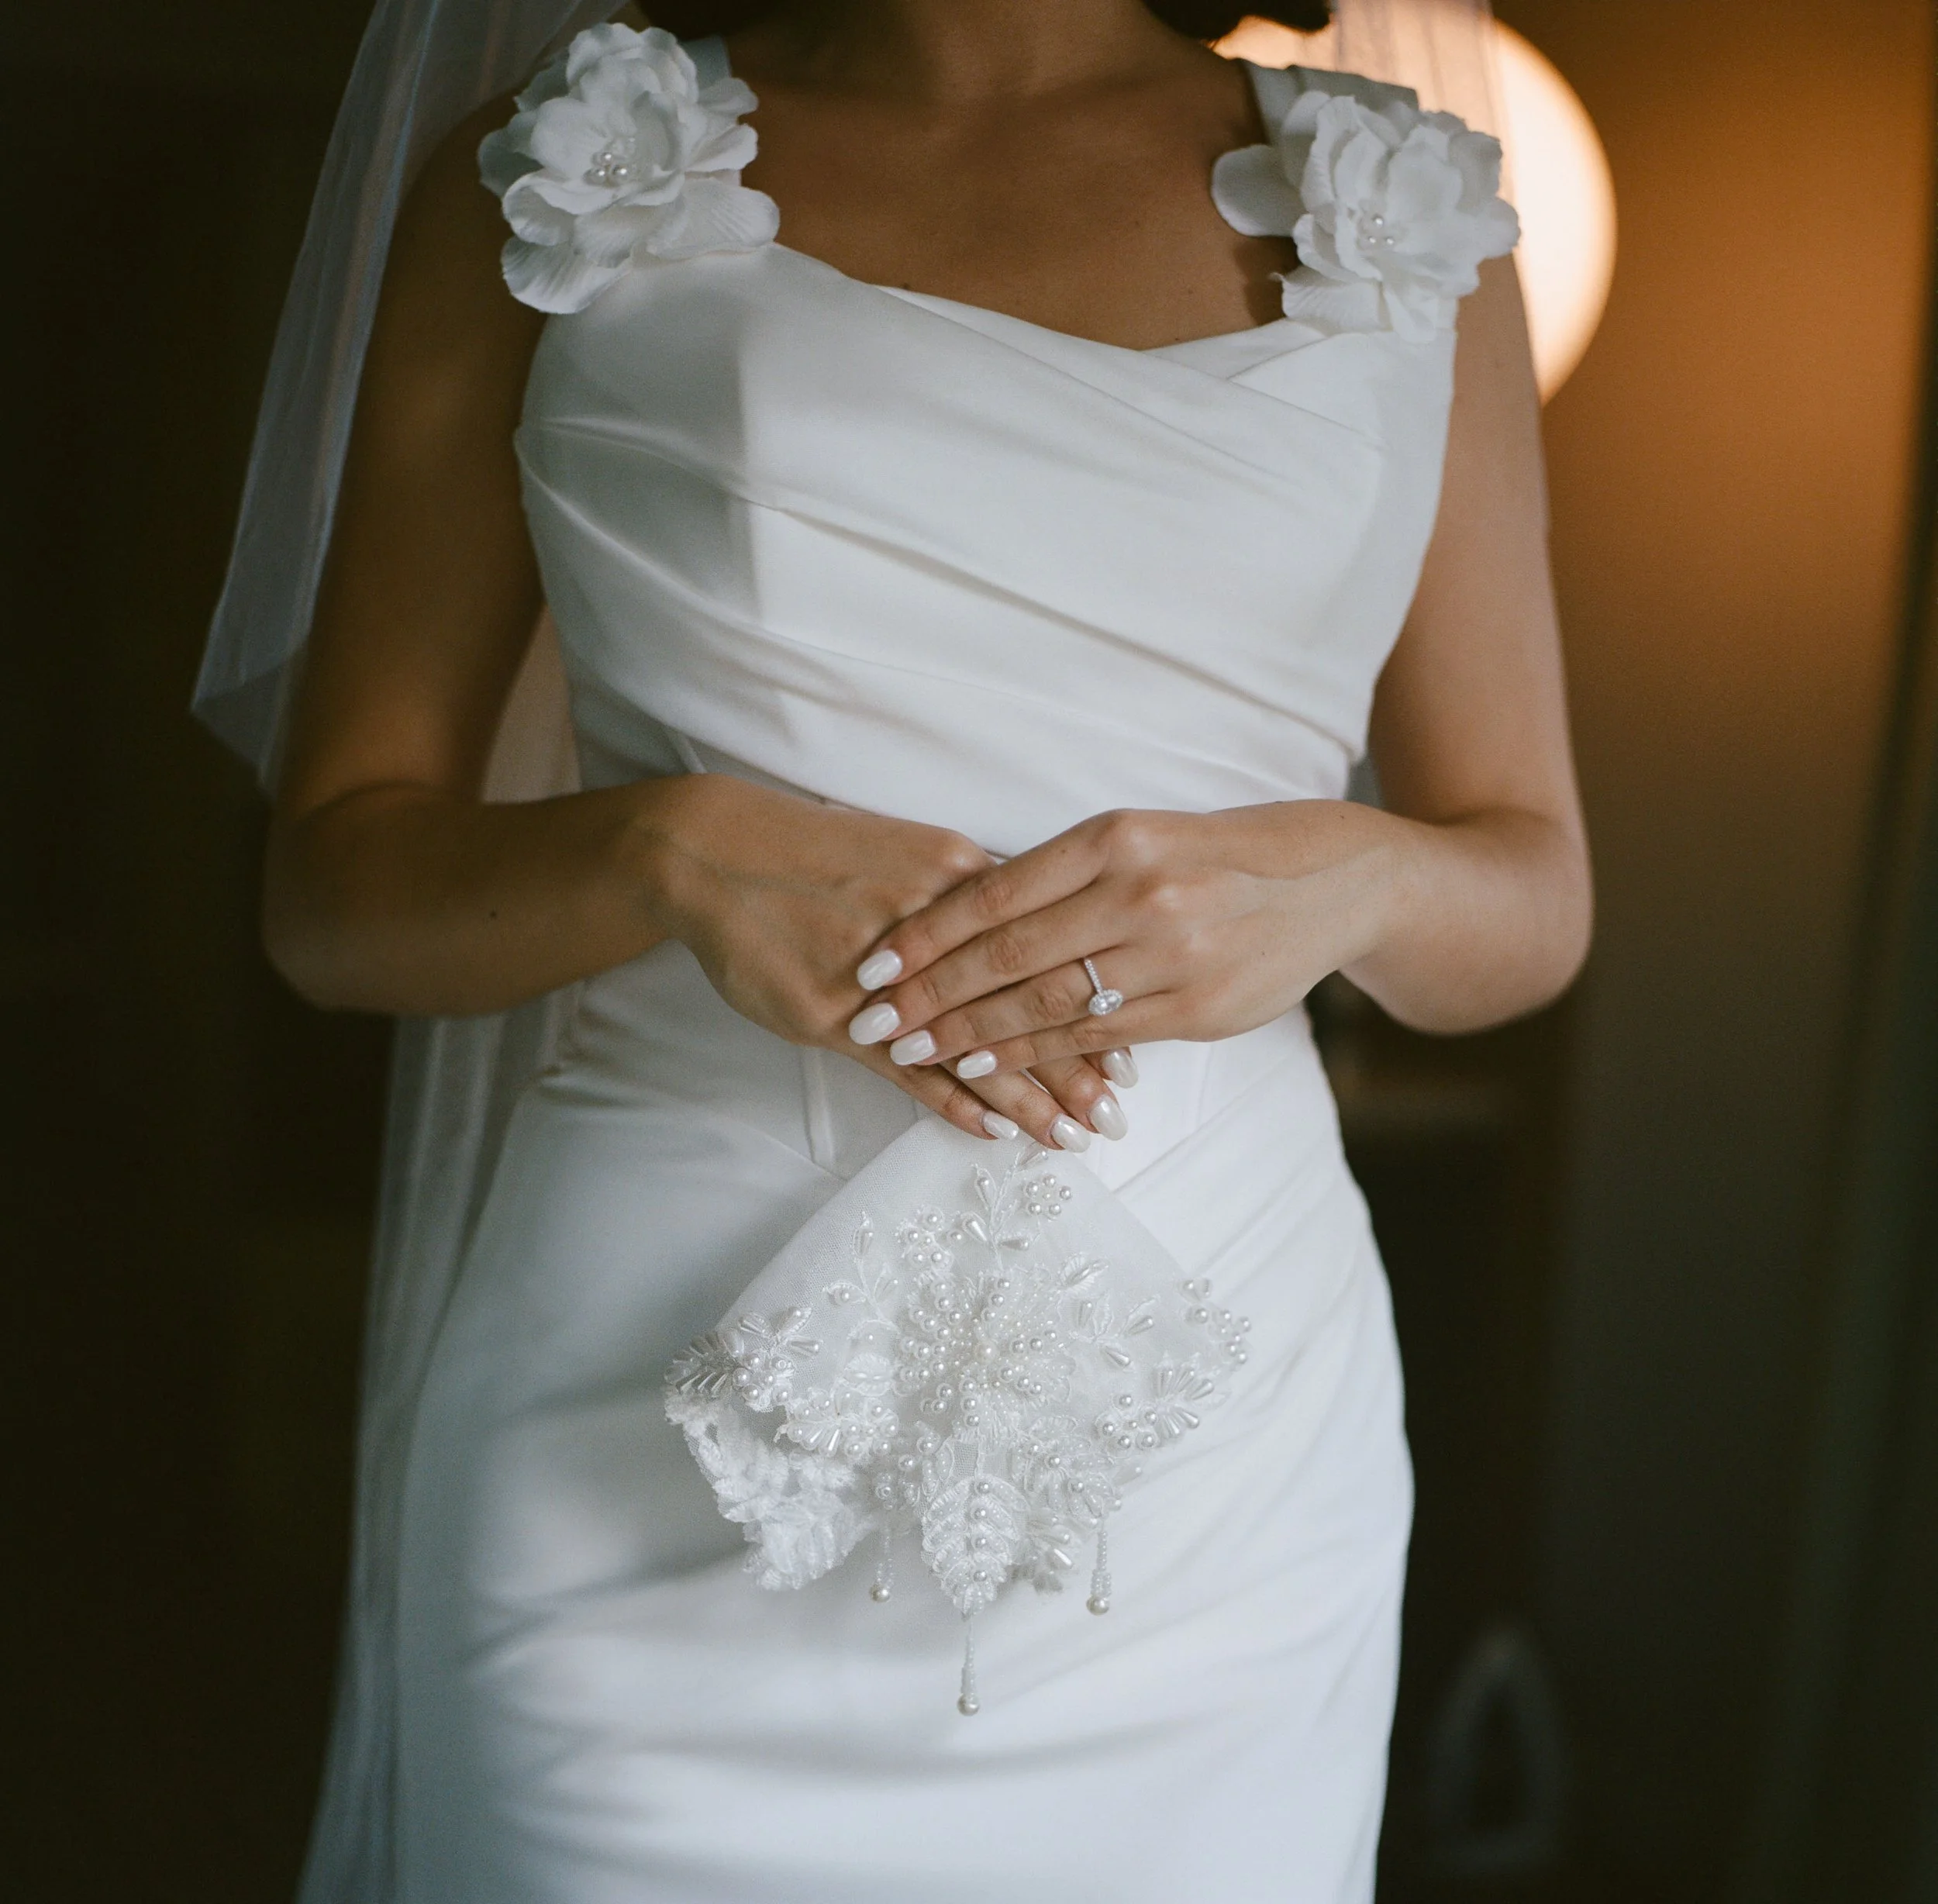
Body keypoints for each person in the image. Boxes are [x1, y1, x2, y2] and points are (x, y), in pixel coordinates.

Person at [229, 0, 1588, 1896]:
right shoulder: (558, 173)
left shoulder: (1398, 209)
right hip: (638, 1440)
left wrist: (1345, 883)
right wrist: (666, 851)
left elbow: (1529, 893)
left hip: (1206, 1475)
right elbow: (332, 894)